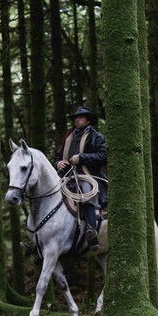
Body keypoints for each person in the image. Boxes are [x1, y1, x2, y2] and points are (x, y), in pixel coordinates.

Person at [54, 106, 107, 251]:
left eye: (80, 117)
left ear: (88, 120)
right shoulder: (68, 137)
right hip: (66, 177)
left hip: (87, 175)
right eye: (76, 118)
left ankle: (91, 230)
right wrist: (59, 163)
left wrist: (81, 158)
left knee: (85, 191)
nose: (77, 120)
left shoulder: (97, 137)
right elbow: (58, 157)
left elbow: (103, 156)